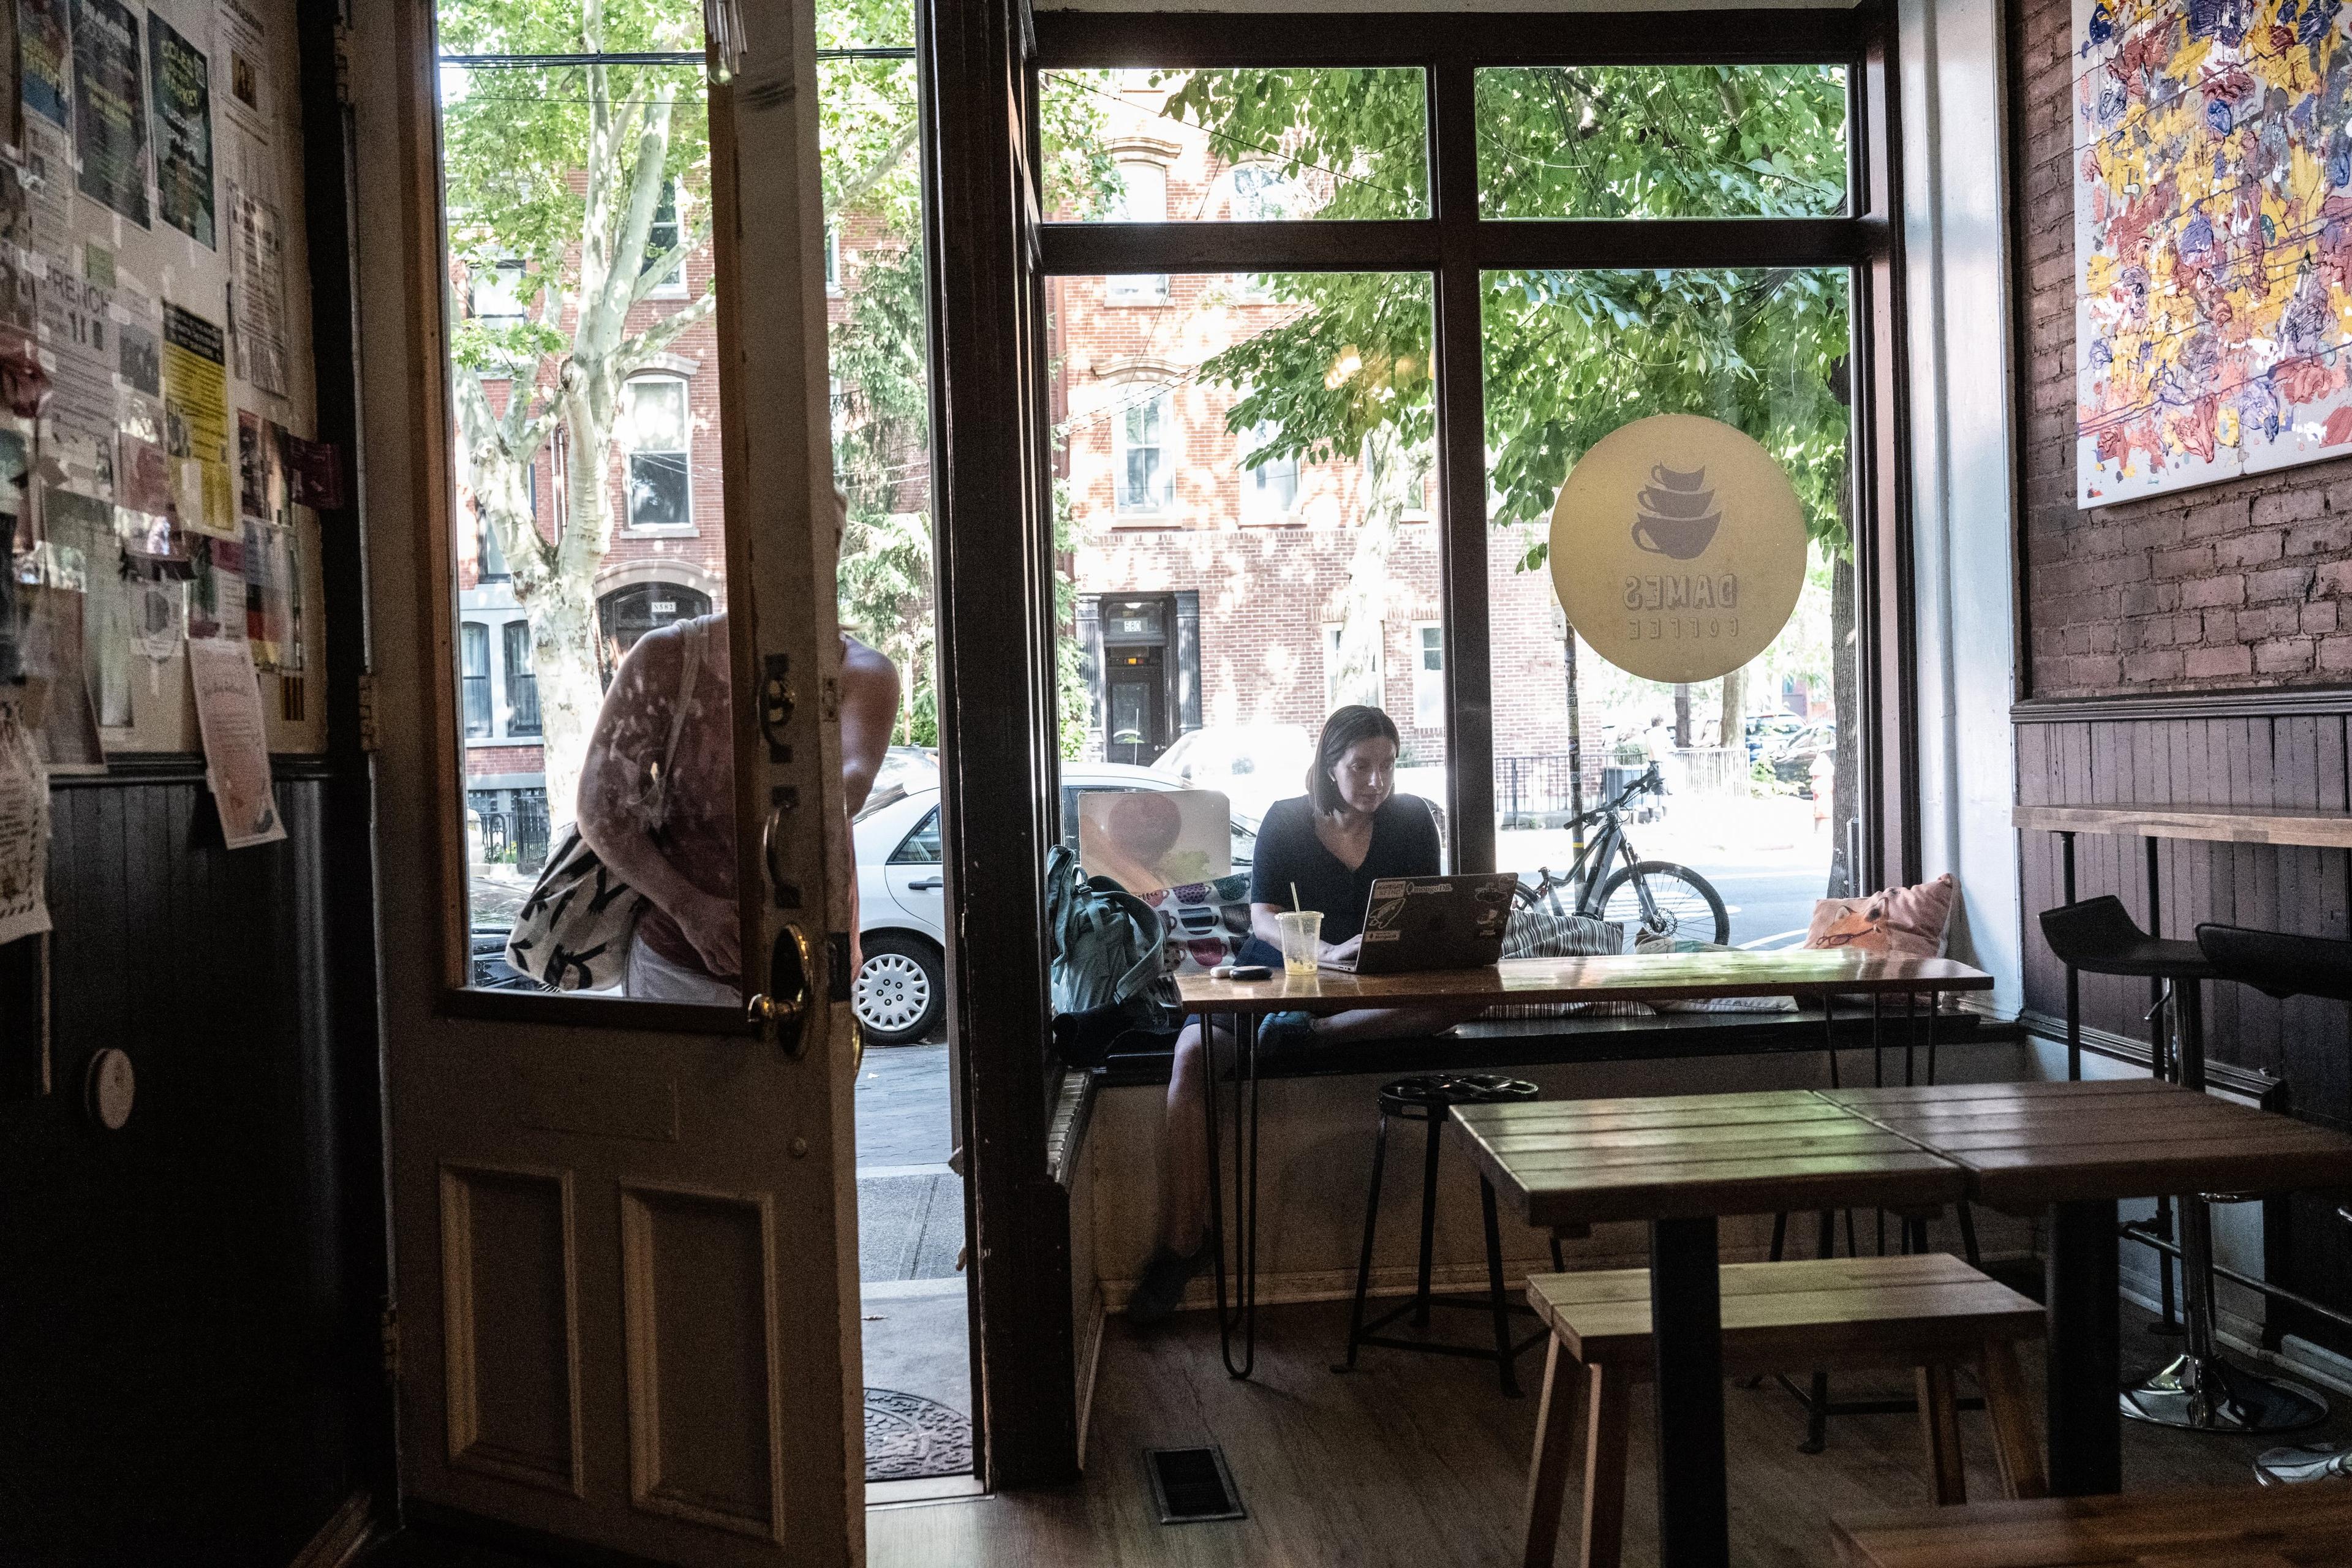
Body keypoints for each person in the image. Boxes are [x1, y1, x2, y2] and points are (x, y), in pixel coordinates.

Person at [1128, 704, 1457, 1325]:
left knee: (1444, 1006)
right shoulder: (1286, 819)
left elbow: (1430, 908)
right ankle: (1181, 1243)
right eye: (1361, 766)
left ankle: (1314, 1034)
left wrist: (1388, 950)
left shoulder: (1413, 820)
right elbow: (1260, 915)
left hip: (1368, 988)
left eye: (1387, 766)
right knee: (1192, 1056)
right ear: (1329, 766)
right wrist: (1324, 951)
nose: (1376, 782)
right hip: (1279, 974)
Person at [576, 614, 899, 1005]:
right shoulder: (667, 657)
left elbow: (851, 787)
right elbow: (599, 811)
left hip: (809, 962)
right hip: (679, 966)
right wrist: (690, 907)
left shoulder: (862, 672)